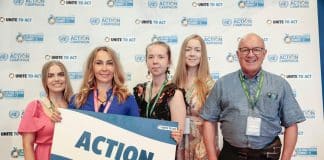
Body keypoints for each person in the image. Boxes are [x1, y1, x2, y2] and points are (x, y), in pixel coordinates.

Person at [201, 33, 306, 160]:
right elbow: (209, 121)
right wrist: (212, 158)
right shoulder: (222, 84)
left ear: (264, 53)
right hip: (231, 154)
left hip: (267, 154)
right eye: (245, 50)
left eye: (256, 49)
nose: (250, 54)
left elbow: (291, 124)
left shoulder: (280, 85)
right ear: (238, 54)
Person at [173, 34, 217, 160]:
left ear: (202, 54)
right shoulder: (173, 84)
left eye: (197, 50)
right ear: (183, 53)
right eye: (188, 49)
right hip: (177, 142)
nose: (192, 54)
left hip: (200, 146)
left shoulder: (209, 85)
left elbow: (212, 122)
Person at [18, 60, 73, 160]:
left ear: (66, 78)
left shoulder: (74, 106)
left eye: (60, 74)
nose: (56, 79)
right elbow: (27, 145)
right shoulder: (34, 107)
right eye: (50, 76)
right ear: (45, 81)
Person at [133, 41, 186, 145]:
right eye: (151, 57)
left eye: (161, 57)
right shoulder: (140, 91)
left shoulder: (174, 93)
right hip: (139, 150)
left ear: (168, 62)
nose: (155, 61)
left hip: (163, 151)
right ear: (146, 61)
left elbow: (177, 137)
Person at [69, 46, 139, 116]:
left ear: (115, 67)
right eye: (99, 63)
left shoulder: (128, 99)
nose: (104, 68)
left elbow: (135, 126)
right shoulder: (77, 100)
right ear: (91, 67)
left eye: (109, 63)